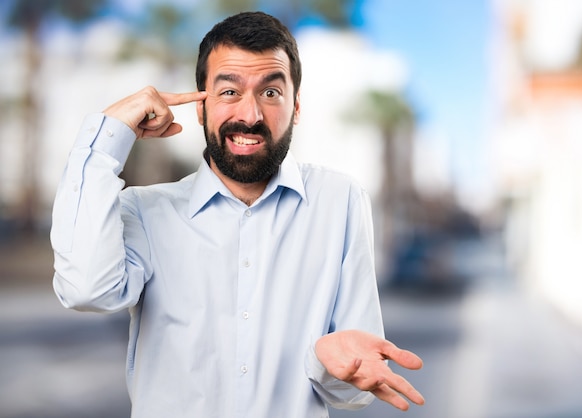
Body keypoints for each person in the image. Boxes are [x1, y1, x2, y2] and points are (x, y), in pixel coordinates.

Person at [50, 11, 424, 417]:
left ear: (296, 107)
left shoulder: (341, 201)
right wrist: (108, 138)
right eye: (229, 92)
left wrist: (328, 364)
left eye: (270, 93)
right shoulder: (144, 210)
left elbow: (354, 388)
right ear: (200, 106)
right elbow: (85, 289)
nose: (250, 115)